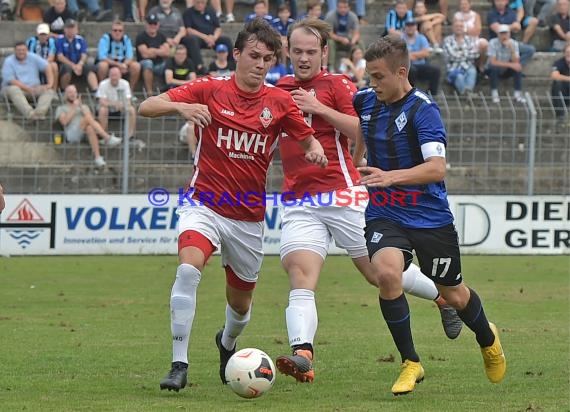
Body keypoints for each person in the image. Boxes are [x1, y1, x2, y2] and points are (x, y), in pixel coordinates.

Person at [138, 18, 329, 392]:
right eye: (254, 56)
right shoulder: (209, 89)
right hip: (204, 204)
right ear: (237, 54)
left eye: (268, 59)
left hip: (247, 218)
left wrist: (316, 149)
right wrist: (182, 110)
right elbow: (147, 105)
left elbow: (307, 141)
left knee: (240, 308)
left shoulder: (279, 102)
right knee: (189, 270)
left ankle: (227, 342)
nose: (260, 64)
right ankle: (179, 364)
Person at [274, 18, 462, 384]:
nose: (304, 58)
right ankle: (302, 354)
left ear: (324, 53)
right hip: (299, 198)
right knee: (300, 273)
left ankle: (442, 299)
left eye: (311, 52)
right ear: (288, 51)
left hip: (344, 192)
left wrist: (321, 109)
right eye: (297, 51)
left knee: (379, 274)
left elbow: (364, 125)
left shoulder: (340, 86)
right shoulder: (280, 88)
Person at [353, 35, 506, 395]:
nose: (371, 84)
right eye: (368, 76)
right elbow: (359, 122)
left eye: (378, 77)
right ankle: (411, 363)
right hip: (385, 212)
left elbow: (437, 168)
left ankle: (487, 338)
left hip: (429, 217)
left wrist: (389, 176)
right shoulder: (365, 100)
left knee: (453, 295)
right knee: (387, 274)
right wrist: (358, 156)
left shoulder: (424, 110)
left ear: (401, 72)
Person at [56, 84, 122, 167]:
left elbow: (92, 120)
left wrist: (82, 108)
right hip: (72, 134)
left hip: (84, 132)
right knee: (87, 118)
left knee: (90, 128)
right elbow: (64, 122)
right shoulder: (61, 108)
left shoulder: (84, 106)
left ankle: (97, 158)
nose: (72, 94)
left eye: (74, 92)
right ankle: (107, 138)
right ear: (65, 95)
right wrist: (74, 108)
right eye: (70, 92)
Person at [1, 42, 56, 120]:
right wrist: (28, 89)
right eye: (19, 50)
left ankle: (39, 113)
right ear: (14, 51)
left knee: (49, 91)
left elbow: (47, 66)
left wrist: (50, 84)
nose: (21, 52)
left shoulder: (33, 57)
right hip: (14, 89)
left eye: (23, 50)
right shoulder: (8, 61)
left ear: (27, 50)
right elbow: (11, 81)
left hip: (33, 88)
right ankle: (30, 114)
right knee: (14, 89)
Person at [56, 19, 98, 92]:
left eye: (73, 28)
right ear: (65, 29)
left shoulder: (80, 40)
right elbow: (60, 57)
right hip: (66, 64)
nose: (71, 30)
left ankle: (96, 90)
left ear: (76, 29)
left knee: (89, 67)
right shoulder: (60, 40)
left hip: (79, 64)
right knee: (67, 68)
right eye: (68, 28)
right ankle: (63, 90)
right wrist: (73, 66)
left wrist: (80, 64)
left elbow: (84, 54)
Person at [487, 24, 526, 103]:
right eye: (501, 33)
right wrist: (511, 65)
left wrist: (511, 49)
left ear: (509, 34)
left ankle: (517, 94)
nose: (504, 36)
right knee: (493, 68)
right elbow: (493, 62)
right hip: (493, 69)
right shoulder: (492, 42)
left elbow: (516, 61)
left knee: (517, 68)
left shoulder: (513, 43)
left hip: (505, 69)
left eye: (506, 33)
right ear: (498, 34)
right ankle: (494, 93)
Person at [96, 66, 137, 140]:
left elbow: (128, 100)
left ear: (120, 75)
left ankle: (130, 135)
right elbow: (101, 101)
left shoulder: (125, 83)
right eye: (112, 75)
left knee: (131, 109)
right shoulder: (103, 84)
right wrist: (115, 104)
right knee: (102, 110)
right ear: (109, 76)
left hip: (121, 109)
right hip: (108, 109)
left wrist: (123, 105)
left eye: (116, 75)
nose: (114, 77)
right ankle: (103, 135)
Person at [403, 18, 441, 95]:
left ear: (416, 27)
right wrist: (418, 54)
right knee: (411, 70)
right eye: (408, 25)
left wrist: (411, 55)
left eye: (412, 25)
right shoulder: (400, 38)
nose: (410, 27)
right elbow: (400, 55)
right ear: (405, 27)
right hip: (407, 66)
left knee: (436, 71)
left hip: (421, 65)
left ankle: (432, 94)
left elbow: (426, 53)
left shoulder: (421, 38)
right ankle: (409, 93)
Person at [136, 13, 171, 94]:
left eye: (154, 23)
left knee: (170, 63)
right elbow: (145, 54)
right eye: (150, 23)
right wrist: (159, 50)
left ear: (158, 24)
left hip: (159, 65)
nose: (152, 26)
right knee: (148, 63)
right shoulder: (141, 37)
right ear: (146, 24)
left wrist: (152, 50)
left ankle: (168, 90)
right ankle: (149, 92)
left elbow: (167, 52)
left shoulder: (161, 36)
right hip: (143, 65)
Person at [443, 18, 479, 95]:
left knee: (472, 71)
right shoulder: (448, 40)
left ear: (464, 28)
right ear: (453, 28)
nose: (459, 28)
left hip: (468, 67)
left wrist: (459, 53)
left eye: (461, 26)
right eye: (457, 26)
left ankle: (467, 93)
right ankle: (469, 95)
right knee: (459, 76)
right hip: (453, 69)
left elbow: (476, 54)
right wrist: (466, 53)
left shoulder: (470, 40)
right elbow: (451, 56)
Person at [325, 0, 361, 72]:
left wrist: (353, 41)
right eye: (340, 7)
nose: (343, 9)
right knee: (330, 42)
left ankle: (361, 65)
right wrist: (341, 39)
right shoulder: (330, 16)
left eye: (345, 7)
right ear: (337, 7)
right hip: (335, 40)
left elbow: (357, 33)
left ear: (349, 8)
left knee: (359, 43)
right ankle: (331, 66)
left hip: (348, 40)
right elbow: (329, 34)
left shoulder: (353, 16)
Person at [26, 23, 59, 91]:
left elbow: (51, 57)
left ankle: (54, 90)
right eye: (41, 34)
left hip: (46, 63)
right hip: (33, 63)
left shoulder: (51, 42)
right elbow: (30, 56)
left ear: (48, 35)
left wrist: (43, 64)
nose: (43, 36)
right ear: (37, 34)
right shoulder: (31, 41)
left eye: (45, 34)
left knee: (54, 65)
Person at [550, 42, 570, 128]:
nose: (569, 54)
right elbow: (554, 75)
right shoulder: (559, 62)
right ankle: (560, 115)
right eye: (567, 52)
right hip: (564, 93)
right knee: (557, 84)